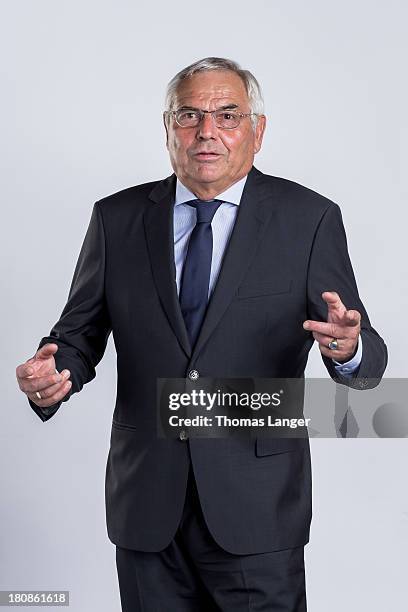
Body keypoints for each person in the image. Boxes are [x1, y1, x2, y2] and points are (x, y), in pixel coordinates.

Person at [16, 57, 387, 611]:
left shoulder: (308, 219)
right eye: (188, 115)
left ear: (257, 131)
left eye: (227, 115)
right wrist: (56, 371)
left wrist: (349, 350)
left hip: (257, 510)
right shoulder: (117, 219)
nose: (206, 131)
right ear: (167, 129)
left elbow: (367, 357)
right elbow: (79, 333)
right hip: (146, 506)